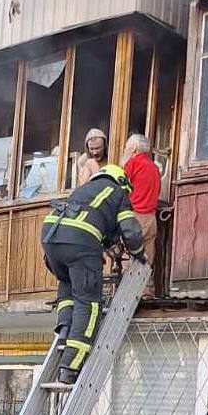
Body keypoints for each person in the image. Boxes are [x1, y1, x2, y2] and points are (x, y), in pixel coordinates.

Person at [41, 164, 145, 384]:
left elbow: (95, 221)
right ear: (122, 182)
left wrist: (106, 245)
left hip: (51, 238)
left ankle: (65, 328)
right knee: (88, 303)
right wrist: (139, 254)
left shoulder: (84, 190)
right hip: (79, 241)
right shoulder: (118, 193)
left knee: (67, 282)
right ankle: (70, 367)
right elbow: (131, 232)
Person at [122, 134, 161, 298]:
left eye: (126, 147)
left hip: (135, 216)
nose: (125, 150)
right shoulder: (155, 168)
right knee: (147, 257)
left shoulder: (132, 163)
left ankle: (126, 293)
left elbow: (122, 189)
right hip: (151, 218)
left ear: (134, 148)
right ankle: (147, 291)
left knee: (129, 254)